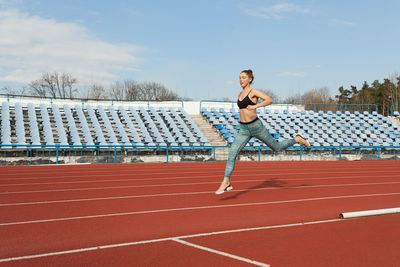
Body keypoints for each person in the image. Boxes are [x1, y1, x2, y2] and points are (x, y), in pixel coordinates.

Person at [215, 69, 310, 195]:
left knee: (277, 148)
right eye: (239, 78)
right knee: (232, 153)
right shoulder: (240, 94)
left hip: (256, 126)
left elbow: (269, 100)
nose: (241, 80)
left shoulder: (253, 92)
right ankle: (226, 181)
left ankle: (297, 139)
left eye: (243, 77)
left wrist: (255, 106)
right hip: (243, 129)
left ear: (250, 79)